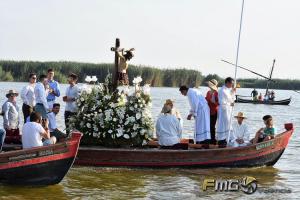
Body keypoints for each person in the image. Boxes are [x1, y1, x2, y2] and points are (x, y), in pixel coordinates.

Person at [216, 77, 236, 147]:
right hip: (224, 110)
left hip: (228, 110)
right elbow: (221, 102)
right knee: (225, 124)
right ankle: (223, 140)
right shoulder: (222, 90)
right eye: (231, 83)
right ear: (227, 82)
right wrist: (230, 104)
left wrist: (233, 92)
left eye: (233, 84)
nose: (232, 85)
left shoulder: (228, 90)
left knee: (229, 124)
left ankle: (229, 139)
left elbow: (232, 99)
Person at [205, 79, 219, 144]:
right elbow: (205, 100)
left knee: (212, 126)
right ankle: (208, 138)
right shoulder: (208, 92)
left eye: (210, 84)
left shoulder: (216, 93)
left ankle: (213, 140)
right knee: (208, 126)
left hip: (214, 111)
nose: (208, 85)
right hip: (208, 111)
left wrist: (214, 102)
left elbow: (219, 103)